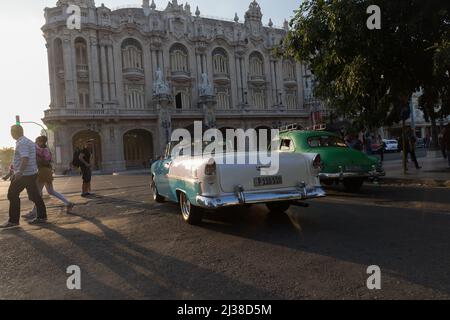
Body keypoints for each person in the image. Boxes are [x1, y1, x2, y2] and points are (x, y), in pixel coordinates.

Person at [0, 125, 47, 229]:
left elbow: (25, 158)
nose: (11, 134)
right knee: (34, 196)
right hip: (31, 173)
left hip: (24, 175)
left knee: (12, 195)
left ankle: (13, 221)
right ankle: (42, 217)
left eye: (11, 131)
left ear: (14, 132)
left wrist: (19, 172)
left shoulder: (22, 143)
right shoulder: (29, 141)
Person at [23, 136, 74, 221]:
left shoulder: (41, 150)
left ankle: (34, 212)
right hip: (46, 171)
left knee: (38, 193)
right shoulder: (43, 149)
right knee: (50, 191)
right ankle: (68, 203)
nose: (36, 142)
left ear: (42, 142)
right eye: (36, 141)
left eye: (38, 141)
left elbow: (44, 160)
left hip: (43, 171)